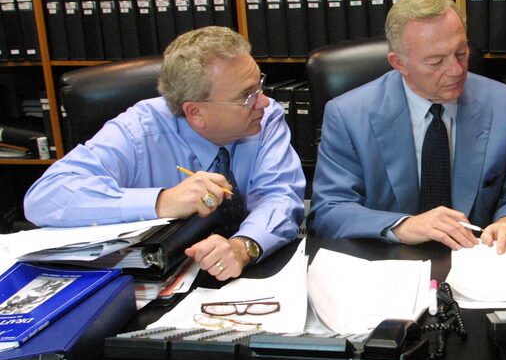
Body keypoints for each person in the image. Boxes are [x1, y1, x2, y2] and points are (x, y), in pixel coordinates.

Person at [24, 26, 305, 281]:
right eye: (247, 96)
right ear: (195, 112)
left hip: (243, 275)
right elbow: (45, 197)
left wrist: (243, 246)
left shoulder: (265, 119)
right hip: (150, 279)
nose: (264, 102)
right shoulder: (138, 130)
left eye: (260, 86)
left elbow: (279, 196)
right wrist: (161, 201)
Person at [310, 0, 506, 256]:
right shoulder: (348, 115)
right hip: (388, 264)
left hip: (478, 260)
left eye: (461, 53)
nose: (456, 70)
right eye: (435, 61)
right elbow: (329, 210)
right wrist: (403, 226)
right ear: (399, 63)